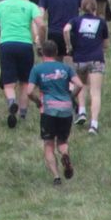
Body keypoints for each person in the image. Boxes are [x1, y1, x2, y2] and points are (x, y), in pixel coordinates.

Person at [0, 0, 43, 128]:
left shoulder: (0, 6)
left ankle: (12, 102)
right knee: (25, 82)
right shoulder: (29, 5)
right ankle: (23, 113)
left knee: (9, 83)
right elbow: (40, 24)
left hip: (6, 44)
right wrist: (40, 39)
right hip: (25, 44)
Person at [26, 42, 80, 184]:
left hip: (48, 109)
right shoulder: (66, 68)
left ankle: (56, 177)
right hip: (66, 109)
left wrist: (38, 102)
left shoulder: (37, 69)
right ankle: (65, 154)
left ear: (42, 53)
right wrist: (71, 97)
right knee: (62, 141)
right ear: (56, 53)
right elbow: (79, 84)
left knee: (48, 144)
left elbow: (29, 91)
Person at [68, 0, 107, 132]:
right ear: (95, 7)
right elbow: (105, 43)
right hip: (96, 58)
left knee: (81, 85)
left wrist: (69, 46)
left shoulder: (75, 20)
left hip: (80, 58)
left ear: (81, 7)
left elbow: (66, 29)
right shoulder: (101, 22)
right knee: (95, 92)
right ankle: (94, 124)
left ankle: (82, 111)